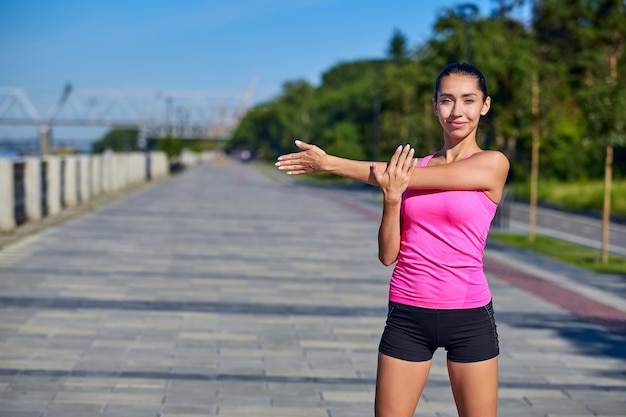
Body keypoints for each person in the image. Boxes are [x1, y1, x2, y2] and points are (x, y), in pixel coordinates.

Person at [275, 62, 510, 417]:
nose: (457, 111)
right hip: (407, 314)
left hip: (469, 316)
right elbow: (388, 255)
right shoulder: (410, 171)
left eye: (468, 100)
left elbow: (406, 174)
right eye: (447, 101)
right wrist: (391, 198)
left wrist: (329, 163)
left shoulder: (492, 164)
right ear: (434, 106)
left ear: (485, 105)